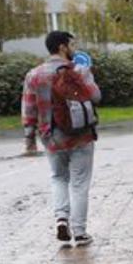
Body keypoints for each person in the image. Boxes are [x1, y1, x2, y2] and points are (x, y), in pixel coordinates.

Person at [22, 31, 102, 247]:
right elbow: (96, 97)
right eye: (70, 44)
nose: (72, 47)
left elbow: (29, 107)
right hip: (81, 136)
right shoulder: (79, 70)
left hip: (51, 136)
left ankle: (61, 219)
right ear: (62, 47)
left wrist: (29, 137)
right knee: (79, 184)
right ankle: (80, 232)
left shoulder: (34, 75)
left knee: (58, 177)